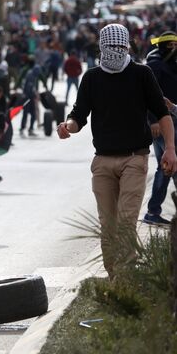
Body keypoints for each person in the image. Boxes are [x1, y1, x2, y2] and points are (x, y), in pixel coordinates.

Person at [57, 24, 177, 279]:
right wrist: (68, 127)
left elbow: (162, 113)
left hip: (135, 159)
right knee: (108, 225)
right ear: (101, 47)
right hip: (102, 162)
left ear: (127, 47)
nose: (115, 51)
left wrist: (170, 149)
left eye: (120, 47)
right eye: (110, 47)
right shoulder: (92, 77)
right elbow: (79, 115)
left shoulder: (141, 74)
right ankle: (114, 277)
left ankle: (126, 278)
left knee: (125, 223)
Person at [142, 31, 177, 226]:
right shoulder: (155, 66)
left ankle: (153, 212)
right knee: (172, 164)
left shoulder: (171, 65)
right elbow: (148, 96)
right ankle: (153, 211)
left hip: (172, 122)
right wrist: (153, 120)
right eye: (172, 45)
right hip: (161, 124)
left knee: (165, 168)